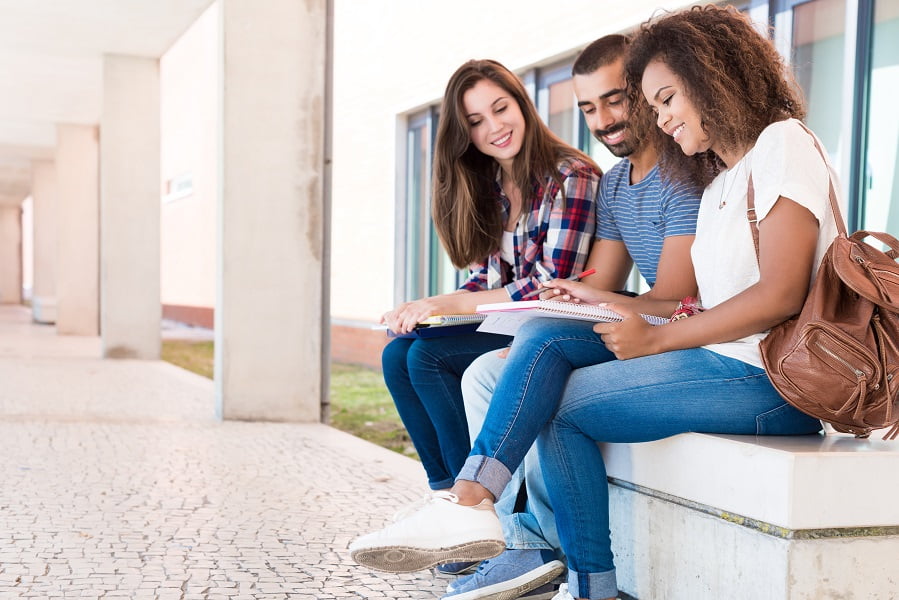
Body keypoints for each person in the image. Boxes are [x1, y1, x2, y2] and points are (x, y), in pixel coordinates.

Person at [352, 6, 841, 600]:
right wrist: (596, 300)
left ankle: (560, 566)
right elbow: (691, 302)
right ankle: (479, 511)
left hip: (771, 380)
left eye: (665, 100)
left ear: (715, 82)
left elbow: (779, 294)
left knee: (557, 405)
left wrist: (655, 335)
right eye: (653, 105)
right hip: (721, 358)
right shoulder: (718, 179)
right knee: (545, 333)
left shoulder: (783, 145)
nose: (659, 118)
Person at [443, 34, 703, 600]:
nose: (604, 119)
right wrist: (568, 296)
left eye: (616, 99)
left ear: (646, 94)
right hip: (643, 320)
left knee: (539, 355)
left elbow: (675, 299)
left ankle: (481, 508)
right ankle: (519, 540)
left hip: (686, 333)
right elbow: (605, 283)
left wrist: (578, 307)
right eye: (589, 108)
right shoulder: (615, 183)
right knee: (487, 370)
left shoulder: (686, 174)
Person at [379, 58, 600, 574]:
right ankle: (445, 507)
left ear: (522, 104)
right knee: (399, 354)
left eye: (501, 109)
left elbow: (548, 285)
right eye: (476, 121)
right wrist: (424, 309)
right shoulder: (494, 186)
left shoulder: (571, 175)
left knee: (428, 361)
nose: (494, 127)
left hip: (556, 323)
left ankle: (474, 518)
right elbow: (483, 282)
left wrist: (446, 306)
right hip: (510, 321)